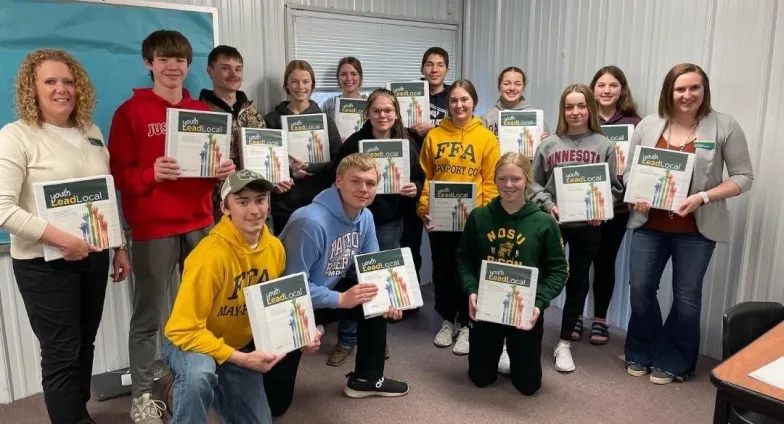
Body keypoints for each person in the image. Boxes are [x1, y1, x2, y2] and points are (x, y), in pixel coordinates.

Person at [108, 30, 235, 424]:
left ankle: (197, 380)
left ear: (188, 65)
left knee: (202, 309)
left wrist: (220, 173)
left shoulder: (203, 111)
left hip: (200, 222)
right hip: (153, 228)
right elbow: (116, 174)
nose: (172, 67)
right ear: (149, 64)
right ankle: (144, 394)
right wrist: (149, 174)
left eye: (179, 60)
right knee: (150, 314)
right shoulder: (130, 112)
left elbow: (208, 171)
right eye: (163, 59)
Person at [0, 49, 131, 424]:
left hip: (93, 256)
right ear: (32, 88)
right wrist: (62, 239)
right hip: (44, 265)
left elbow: (105, 196)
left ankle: (78, 412)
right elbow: (3, 208)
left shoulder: (90, 132)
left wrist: (118, 246)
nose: (62, 89)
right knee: (60, 353)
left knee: (84, 344)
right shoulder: (16, 136)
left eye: (69, 81)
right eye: (50, 82)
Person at [624, 63, 753, 385]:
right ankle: (642, 351)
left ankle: (674, 360)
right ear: (669, 91)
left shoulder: (724, 125)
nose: (687, 95)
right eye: (680, 88)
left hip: (696, 230)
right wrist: (635, 196)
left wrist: (703, 197)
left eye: (694, 88)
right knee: (640, 290)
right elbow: (629, 173)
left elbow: (743, 177)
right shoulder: (650, 125)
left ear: (704, 90)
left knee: (686, 297)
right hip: (648, 225)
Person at [161, 169, 321, 424]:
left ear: (269, 203)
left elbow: (274, 307)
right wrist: (242, 359)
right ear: (225, 208)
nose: (254, 210)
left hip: (237, 344)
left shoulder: (275, 248)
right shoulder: (209, 256)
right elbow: (183, 330)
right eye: (242, 202)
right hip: (191, 341)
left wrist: (302, 334)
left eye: (260, 199)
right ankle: (189, 393)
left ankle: (209, 388)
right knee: (199, 375)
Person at [263, 153, 409, 417]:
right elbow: (288, 288)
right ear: (338, 181)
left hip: (319, 294)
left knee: (371, 299)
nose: (363, 190)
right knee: (276, 406)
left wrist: (389, 299)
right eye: (356, 181)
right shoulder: (309, 222)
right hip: (284, 306)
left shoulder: (364, 216)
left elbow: (372, 267)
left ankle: (367, 379)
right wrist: (340, 300)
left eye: (370, 183)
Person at [529, 84, 623, 373]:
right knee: (542, 278)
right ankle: (529, 337)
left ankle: (564, 343)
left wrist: (601, 209)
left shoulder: (605, 146)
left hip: (588, 226)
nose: (575, 112)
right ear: (563, 110)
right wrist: (548, 205)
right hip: (552, 223)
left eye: (581, 106)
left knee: (577, 281)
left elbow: (616, 190)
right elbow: (533, 185)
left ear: (590, 109)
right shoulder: (548, 145)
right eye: (569, 107)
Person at [456, 152, 568, 396]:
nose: (508, 185)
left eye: (515, 179)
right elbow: (464, 258)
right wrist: (471, 290)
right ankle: (496, 351)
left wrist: (539, 303)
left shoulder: (543, 223)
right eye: (502, 178)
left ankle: (512, 353)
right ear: (494, 180)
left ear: (527, 180)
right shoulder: (479, 217)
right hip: (487, 309)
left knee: (529, 386)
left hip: (524, 311)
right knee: (480, 379)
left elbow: (559, 271)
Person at [329, 88, 426, 366]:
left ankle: (375, 338)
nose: (382, 115)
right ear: (367, 113)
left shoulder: (406, 144)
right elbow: (337, 176)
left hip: (388, 221)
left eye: (388, 110)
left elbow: (421, 179)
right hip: (353, 220)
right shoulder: (355, 143)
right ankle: (347, 338)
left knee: (378, 278)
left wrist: (413, 188)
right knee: (349, 277)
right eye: (376, 110)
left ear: (396, 114)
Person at [418, 79, 500, 355]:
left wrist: (486, 217)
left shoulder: (486, 138)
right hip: (441, 218)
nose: (459, 105)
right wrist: (424, 210)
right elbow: (427, 178)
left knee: (469, 272)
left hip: (472, 219)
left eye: (464, 99)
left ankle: (466, 324)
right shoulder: (434, 136)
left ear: (473, 102)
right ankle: (446, 320)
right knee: (443, 270)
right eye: (453, 100)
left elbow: (490, 182)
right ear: (447, 104)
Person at [199, 45, 293, 223]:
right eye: (225, 68)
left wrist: (275, 180)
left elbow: (264, 160)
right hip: (218, 210)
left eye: (238, 69)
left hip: (256, 208)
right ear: (210, 71)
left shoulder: (254, 114)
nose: (233, 74)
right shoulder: (201, 113)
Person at [582, 66, 642, 345]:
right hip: (583, 205)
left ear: (622, 90)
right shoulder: (581, 118)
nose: (606, 90)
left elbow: (640, 166)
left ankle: (600, 321)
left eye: (613, 85)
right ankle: (573, 318)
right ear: (592, 89)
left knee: (605, 263)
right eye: (601, 85)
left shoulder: (635, 123)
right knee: (579, 263)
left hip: (617, 208)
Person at [264, 59, 342, 235]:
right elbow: (266, 162)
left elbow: (339, 160)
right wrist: (291, 172)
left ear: (312, 85)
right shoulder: (272, 119)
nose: (300, 86)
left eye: (306, 81)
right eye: (294, 81)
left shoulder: (324, 119)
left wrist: (310, 167)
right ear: (287, 86)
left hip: (320, 201)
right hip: (284, 203)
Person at [400, 46, 452, 286]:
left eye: (439, 64)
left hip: (442, 174)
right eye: (429, 64)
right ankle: (412, 291)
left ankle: (446, 300)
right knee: (409, 239)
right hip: (411, 173)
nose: (434, 69)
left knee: (442, 241)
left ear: (447, 69)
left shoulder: (454, 96)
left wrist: (433, 127)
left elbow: (467, 123)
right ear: (422, 68)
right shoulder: (410, 92)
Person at [481, 66, 551, 138]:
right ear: (499, 87)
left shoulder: (536, 117)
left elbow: (549, 148)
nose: (512, 88)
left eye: (518, 84)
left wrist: (544, 143)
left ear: (523, 88)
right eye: (506, 83)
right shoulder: (487, 118)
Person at [320, 56, 367, 141]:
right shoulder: (327, 105)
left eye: (353, 74)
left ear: (360, 77)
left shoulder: (370, 104)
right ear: (338, 78)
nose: (349, 78)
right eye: (343, 74)